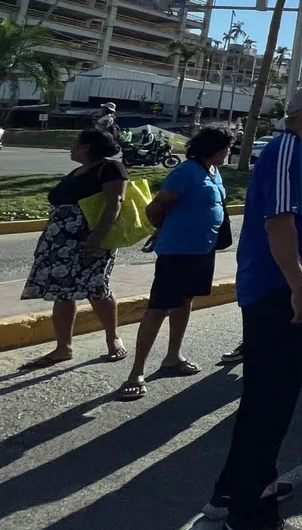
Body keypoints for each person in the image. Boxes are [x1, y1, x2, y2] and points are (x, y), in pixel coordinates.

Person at [207, 83, 302, 530]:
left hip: (290, 294)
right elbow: (278, 222)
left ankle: (231, 494)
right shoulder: (286, 151)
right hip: (280, 295)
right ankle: (249, 520)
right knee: (271, 406)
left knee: (263, 403)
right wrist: (299, 288)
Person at [117, 126, 233, 401]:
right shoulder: (186, 171)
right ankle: (136, 372)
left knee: (185, 300)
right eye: (226, 147)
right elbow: (155, 207)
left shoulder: (214, 173)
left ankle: (173, 357)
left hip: (203, 250)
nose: (229, 151)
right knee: (159, 307)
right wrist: (164, 230)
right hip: (178, 251)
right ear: (212, 148)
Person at [18, 129, 128, 369]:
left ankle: (113, 338)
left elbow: (114, 203)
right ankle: (63, 347)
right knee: (63, 292)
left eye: (76, 143)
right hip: (60, 242)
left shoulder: (110, 169)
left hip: (89, 238)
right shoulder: (78, 172)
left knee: (97, 288)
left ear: (86, 147)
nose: (71, 148)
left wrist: (97, 239)